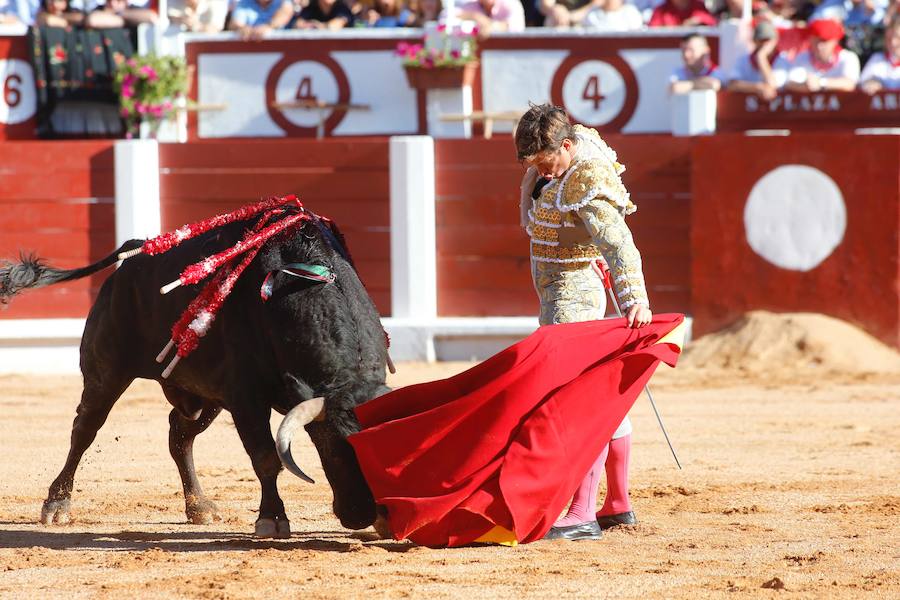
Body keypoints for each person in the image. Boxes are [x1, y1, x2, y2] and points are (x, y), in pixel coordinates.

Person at [514, 103, 652, 541]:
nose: (542, 172)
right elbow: (534, 179)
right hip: (558, 291)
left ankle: (581, 511)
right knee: (594, 398)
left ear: (567, 146)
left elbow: (619, 243)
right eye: (532, 164)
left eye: (546, 161)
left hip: (573, 297)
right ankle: (618, 503)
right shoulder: (559, 156)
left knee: (574, 400)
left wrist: (634, 298)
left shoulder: (586, 177)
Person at [784, 18, 861, 92]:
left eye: (824, 41)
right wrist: (804, 86)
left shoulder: (848, 57)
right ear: (810, 39)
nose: (819, 46)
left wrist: (822, 83)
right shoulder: (802, 57)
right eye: (816, 40)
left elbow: (850, 84)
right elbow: (790, 83)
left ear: (835, 41)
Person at [728, 20, 791, 100]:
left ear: (775, 41)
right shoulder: (743, 60)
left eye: (767, 40)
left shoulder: (782, 60)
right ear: (754, 41)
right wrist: (757, 87)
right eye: (761, 40)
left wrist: (761, 57)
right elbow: (732, 85)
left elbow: (772, 84)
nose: (764, 44)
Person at [860, 17, 900, 92]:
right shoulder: (877, 58)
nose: (893, 43)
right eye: (889, 38)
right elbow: (863, 82)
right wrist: (871, 83)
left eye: (898, 38)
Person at [228, 0, 292, 38]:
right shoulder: (245, 2)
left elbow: (284, 15)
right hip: (250, 52)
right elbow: (234, 23)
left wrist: (267, 27)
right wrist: (243, 29)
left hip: (279, 47)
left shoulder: (283, 2)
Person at [453, 0, 525, 33]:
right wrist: (475, 17)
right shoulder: (471, 4)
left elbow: (517, 27)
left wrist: (491, 26)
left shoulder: (511, 3)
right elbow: (447, 16)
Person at [538, 0, 603, 28]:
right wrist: (555, 9)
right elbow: (545, 5)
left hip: (588, 19)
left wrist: (571, 16)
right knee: (553, 19)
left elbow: (597, 4)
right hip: (563, 20)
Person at [648, 0, 716, 27]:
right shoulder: (660, 10)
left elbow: (713, 24)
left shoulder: (698, 6)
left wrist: (699, 22)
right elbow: (652, 32)